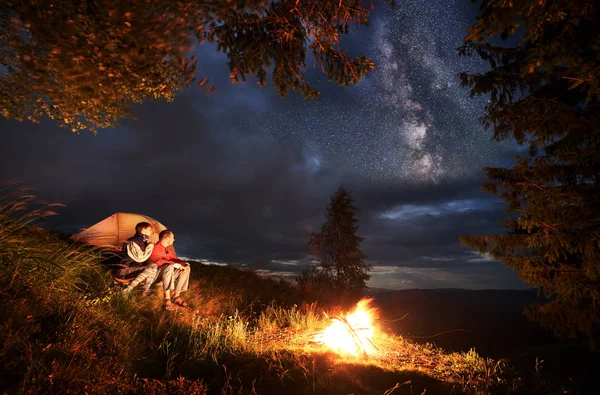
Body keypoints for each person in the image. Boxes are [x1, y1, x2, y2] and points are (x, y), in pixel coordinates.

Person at [150, 229, 191, 310]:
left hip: (168, 274)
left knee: (186, 269)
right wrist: (175, 264)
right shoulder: (155, 247)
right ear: (167, 238)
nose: (174, 239)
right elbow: (157, 261)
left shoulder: (168, 249)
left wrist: (185, 264)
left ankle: (176, 296)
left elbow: (175, 259)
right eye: (173, 238)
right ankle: (167, 298)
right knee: (169, 266)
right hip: (157, 275)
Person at [117, 222, 157, 296]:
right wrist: (150, 246)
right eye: (150, 230)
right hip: (125, 269)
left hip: (134, 268)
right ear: (143, 229)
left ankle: (144, 290)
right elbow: (140, 257)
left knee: (154, 266)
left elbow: (146, 259)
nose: (152, 232)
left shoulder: (143, 242)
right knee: (149, 270)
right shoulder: (133, 241)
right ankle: (127, 289)